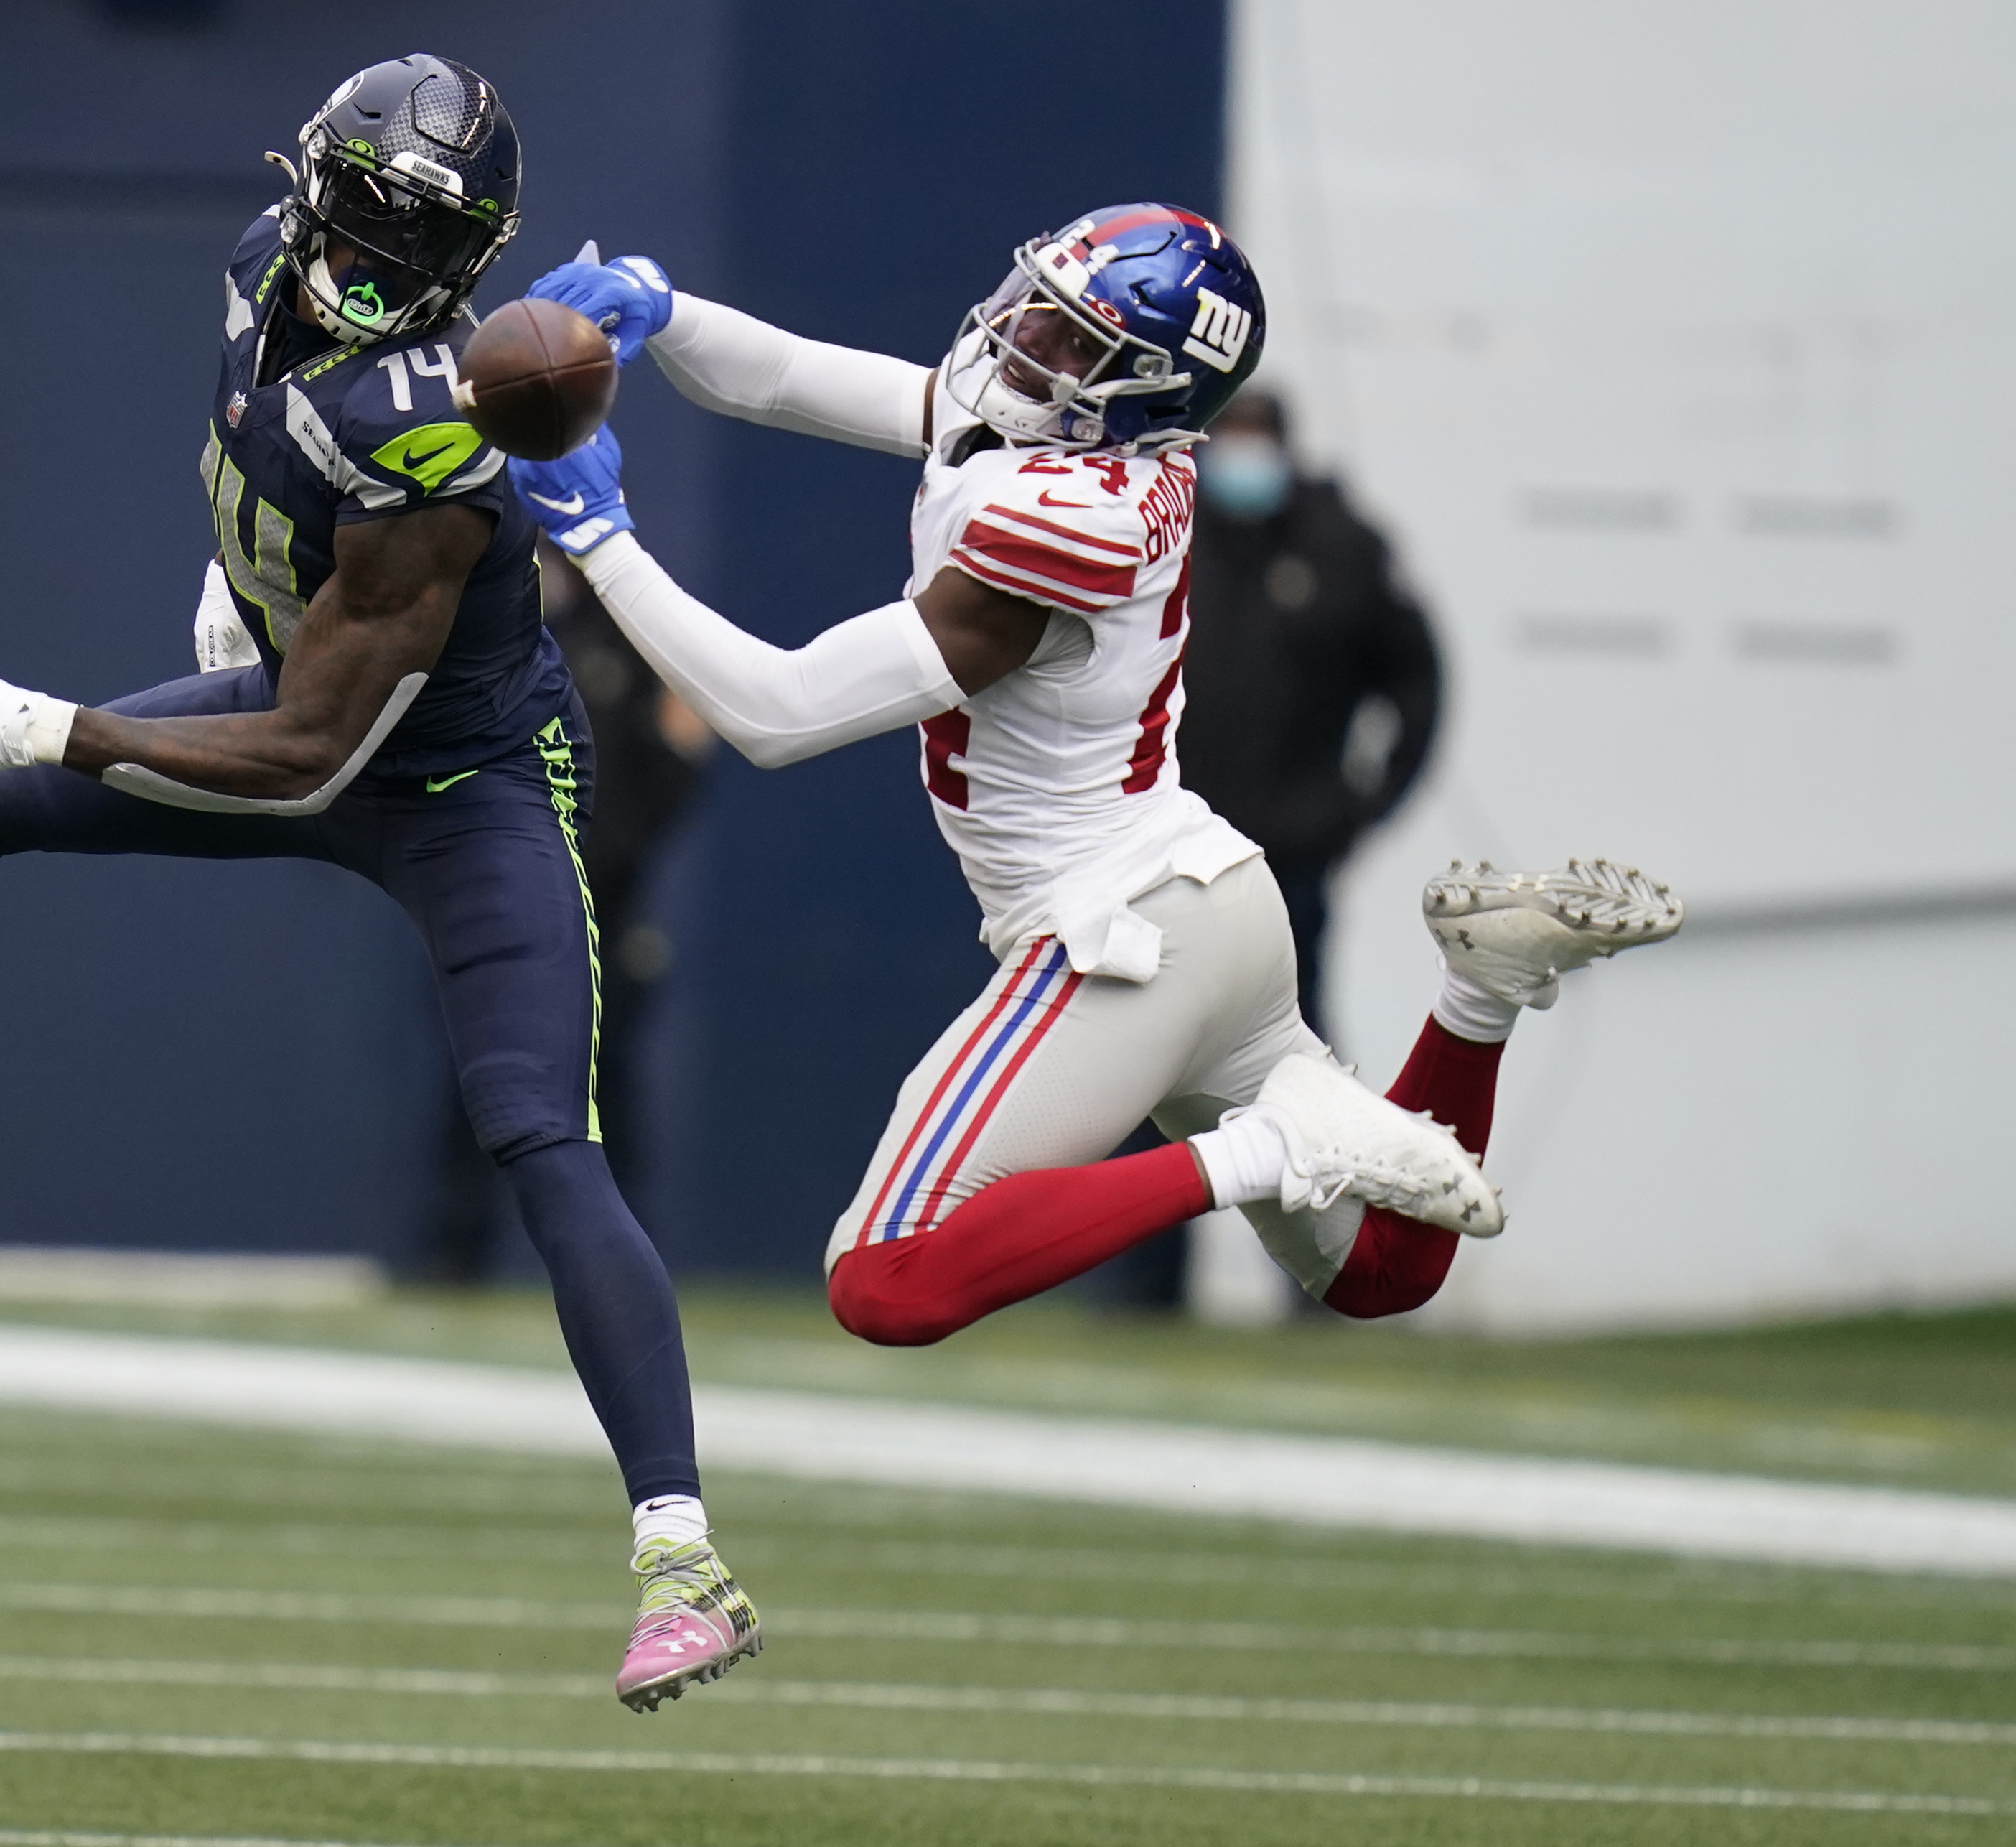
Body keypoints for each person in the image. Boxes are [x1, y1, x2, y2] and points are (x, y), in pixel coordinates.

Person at [0, 56, 758, 1713]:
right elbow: (249, 443)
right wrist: (245, 573)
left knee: (537, 1124)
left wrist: (62, 718)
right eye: (373, 215)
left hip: (459, 781)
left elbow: (310, 752)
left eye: (419, 241)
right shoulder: (270, 259)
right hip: (303, 691)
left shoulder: (433, 437)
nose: (373, 256)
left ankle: (681, 1551)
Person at [512, 208, 1680, 1339]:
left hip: (1118, 931)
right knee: (1378, 1269)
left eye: (1074, 339)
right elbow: (784, 379)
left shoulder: (1064, 520)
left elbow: (775, 710)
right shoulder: (1079, 438)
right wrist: (658, 311)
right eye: (1037, 303)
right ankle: (1479, 991)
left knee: (887, 1276)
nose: (1024, 337)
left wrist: (597, 535)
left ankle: (1275, 1145)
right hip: (1201, 898)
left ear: (1146, 390)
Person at [422, 548, 714, 1282]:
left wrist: (608, 845)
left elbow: (673, 761)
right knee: (481, 1076)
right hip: (504, 898)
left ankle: (622, 1266)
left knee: (605, 1081)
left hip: (604, 902)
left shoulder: (627, 639)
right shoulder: (494, 634)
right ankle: (454, 1256)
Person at [1175, 389, 1441, 1038]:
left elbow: (1418, 681)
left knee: (1286, 1036)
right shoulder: (1166, 536)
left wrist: (1358, 809)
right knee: (1160, 1039)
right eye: (1227, 438)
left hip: (1287, 853)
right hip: (1164, 851)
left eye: (1256, 439)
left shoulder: (1341, 547)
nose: (1242, 457)